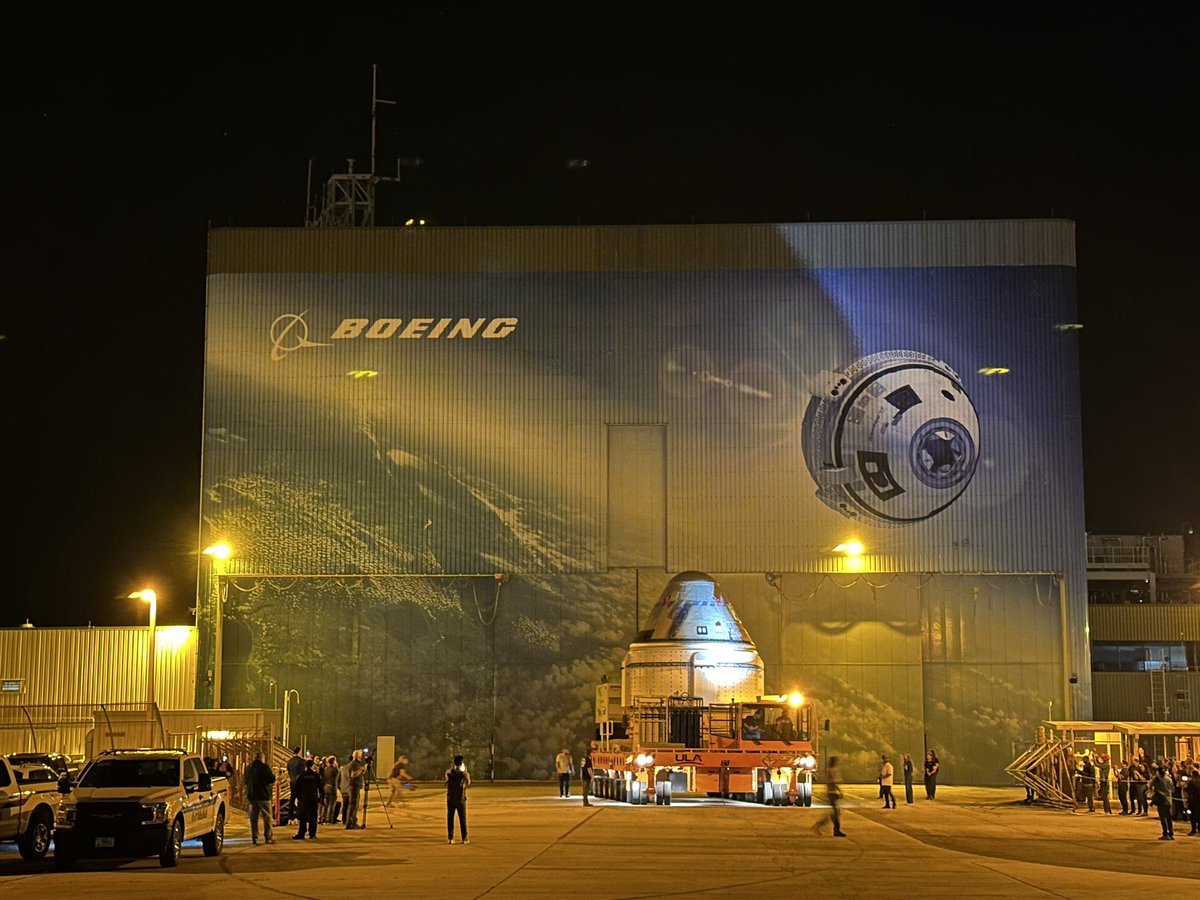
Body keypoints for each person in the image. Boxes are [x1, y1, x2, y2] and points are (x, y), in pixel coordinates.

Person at [244, 751, 276, 845]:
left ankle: (254, 837)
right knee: (267, 817)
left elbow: (246, 781)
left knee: (253, 818)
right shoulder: (265, 767)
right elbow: (272, 779)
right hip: (264, 796)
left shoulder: (248, 768)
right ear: (262, 758)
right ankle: (268, 837)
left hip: (252, 796)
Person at [813, 755, 846, 837]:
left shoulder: (830, 770)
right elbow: (832, 782)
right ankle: (835, 830)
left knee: (834, 813)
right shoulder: (832, 771)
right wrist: (839, 791)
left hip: (832, 793)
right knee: (835, 813)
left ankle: (824, 826)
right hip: (832, 793)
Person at [293, 758, 323, 840]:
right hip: (313, 798)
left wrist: (299, 798)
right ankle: (312, 834)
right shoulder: (316, 775)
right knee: (313, 816)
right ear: (312, 765)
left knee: (303, 816)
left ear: (305, 766)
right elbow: (320, 787)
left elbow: (296, 788)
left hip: (304, 798)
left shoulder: (302, 775)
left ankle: (301, 833)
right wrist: (321, 798)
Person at [445, 754, 470, 844]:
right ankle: (464, 838)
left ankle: (450, 838)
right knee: (462, 820)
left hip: (450, 799)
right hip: (460, 799)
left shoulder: (448, 772)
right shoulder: (464, 773)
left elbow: (446, 782)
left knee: (450, 819)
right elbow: (468, 782)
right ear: (462, 763)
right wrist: (465, 771)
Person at [1150, 764, 1175, 840]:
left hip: (1161, 801)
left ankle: (1165, 833)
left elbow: (1151, 787)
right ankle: (1171, 833)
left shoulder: (1157, 780)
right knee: (1169, 818)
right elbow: (1172, 789)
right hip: (1169, 800)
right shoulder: (1169, 779)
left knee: (1163, 818)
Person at [345, 749, 366, 829]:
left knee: (354, 805)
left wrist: (364, 769)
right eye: (360, 755)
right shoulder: (354, 764)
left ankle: (352, 822)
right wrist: (360, 769)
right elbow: (353, 775)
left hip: (355, 787)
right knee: (353, 805)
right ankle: (350, 823)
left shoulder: (356, 764)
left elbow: (358, 773)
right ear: (357, 756)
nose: (361, 757)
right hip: (353, 787)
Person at [285, 747, 304, 823]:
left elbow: (288, 771)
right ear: (299, 752)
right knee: (300, 800)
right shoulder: (302, 761)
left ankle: (290, 817)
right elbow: (302, 773)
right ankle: (298, 816)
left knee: (292, 799)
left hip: (292, 782)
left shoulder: (290, 761)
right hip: (300, 783)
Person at [321, 756, 340, 823]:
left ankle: (324, 818)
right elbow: (338, 778)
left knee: (326, 804)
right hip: (332, 787)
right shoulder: (335, 769)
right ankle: (330, 819)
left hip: (326, 787)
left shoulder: (326, 769)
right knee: (331, 804)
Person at [1184, 764, 1200, 835]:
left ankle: (1193, 830)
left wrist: (1184, 788)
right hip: (1199, 799)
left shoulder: (1191, 781)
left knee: (1192, 815)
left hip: (1192, 800)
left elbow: (1188, 790)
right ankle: (1199, 828)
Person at [338, 754, 352, 824]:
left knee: (345, 804)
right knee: (350, 805)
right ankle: (349, 819)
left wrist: (339, 787)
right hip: (349, 789)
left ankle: (344, 819)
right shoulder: (351, 768)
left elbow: (338, 779)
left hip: (343, 788)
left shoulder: (343, 768)